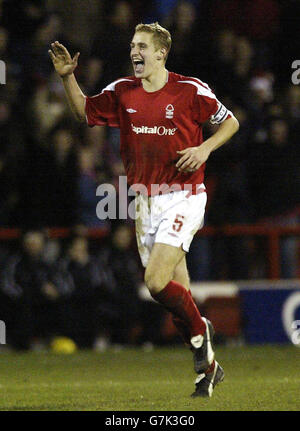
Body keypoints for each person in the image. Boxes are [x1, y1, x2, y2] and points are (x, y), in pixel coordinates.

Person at [49, 21, 239, 398]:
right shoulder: (122, 92)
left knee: (154, 282)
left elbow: (230, 123)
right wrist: (68, 78)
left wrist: (203, 149)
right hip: (146, 201)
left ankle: (201, 330)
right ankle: (208, 366)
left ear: (160, 53)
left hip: (184, 195)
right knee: (174, 299)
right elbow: (84, 113)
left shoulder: (190, 90)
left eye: (141, 46)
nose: (134, 52)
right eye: (132, 45)